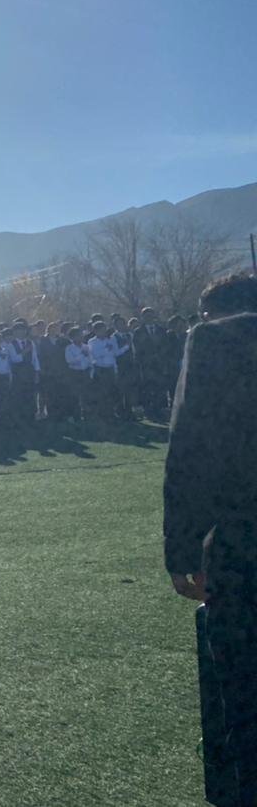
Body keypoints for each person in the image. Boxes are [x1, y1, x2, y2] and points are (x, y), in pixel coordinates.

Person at [163, 272, 257, 807]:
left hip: (244, 542)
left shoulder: (214, 342)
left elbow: (190, 452)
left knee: (245, 690)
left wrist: (182, 549)